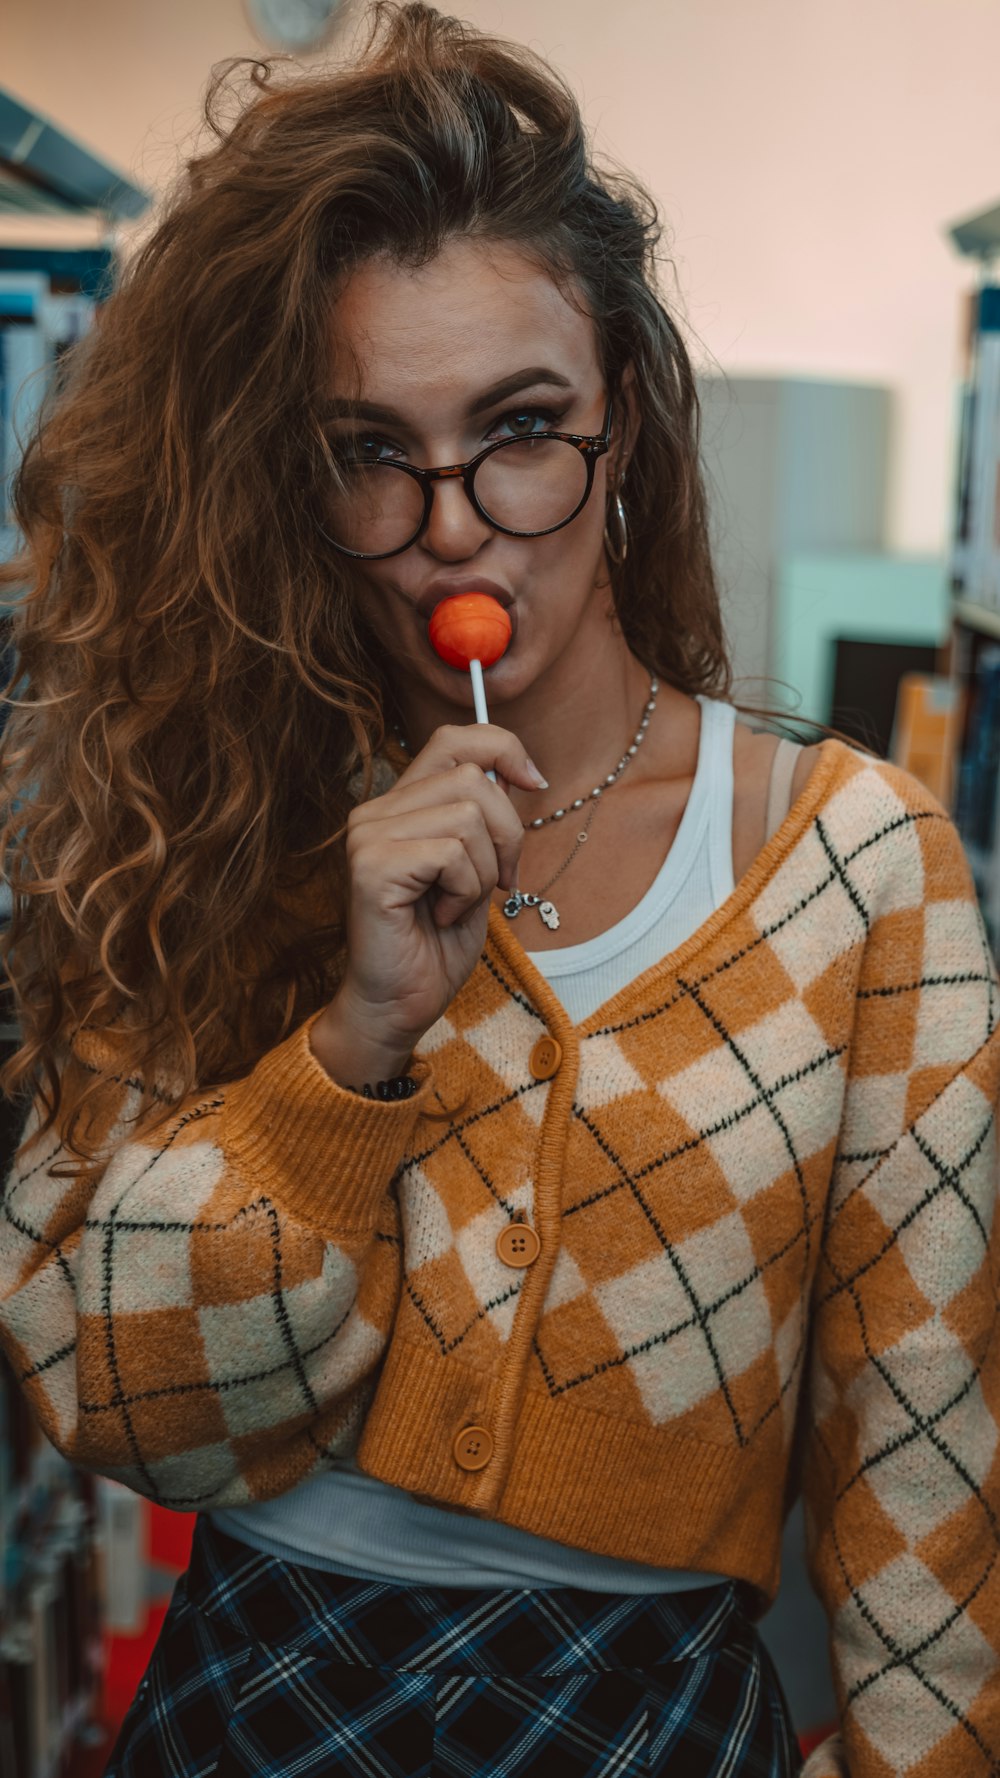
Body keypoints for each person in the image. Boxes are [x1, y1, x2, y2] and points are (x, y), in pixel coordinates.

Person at [1, 5, 997, 1774]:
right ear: (295, 486)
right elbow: (118, 1404)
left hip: (650, 1708)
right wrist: (353, 1044)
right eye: (371, 450)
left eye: (523, 428)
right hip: (265, 1696)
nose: (455, 522)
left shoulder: (861, 865)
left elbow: (922, 1455)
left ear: (626, 435)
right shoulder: (204, 822)